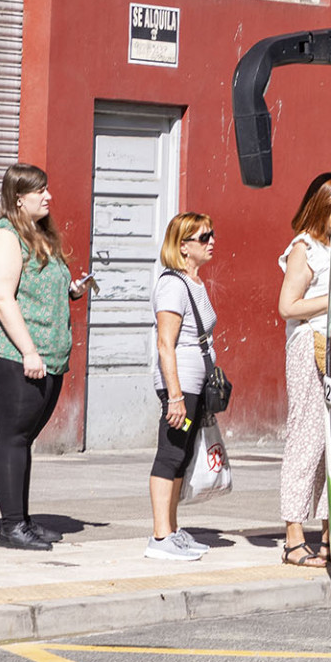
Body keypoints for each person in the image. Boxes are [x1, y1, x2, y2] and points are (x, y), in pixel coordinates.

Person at [0, 164, 90, 551]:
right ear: (19, 198)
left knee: (23, 439)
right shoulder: (5, 237)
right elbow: (0, 297)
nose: (48, 196)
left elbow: (33, 287)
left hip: (44, 354)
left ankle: (21, 520)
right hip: (13, 353)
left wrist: (71, 290)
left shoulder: (38, 235)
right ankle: (11, 528)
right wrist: (28, 351)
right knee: (12, 436)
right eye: (40, 191)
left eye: (47, 188)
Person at [146, 212, 219, 562]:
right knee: (171, 453)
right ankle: (160, 536)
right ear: (183, 246)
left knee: (183, 455)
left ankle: (172, 530)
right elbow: (165, 343)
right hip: (181, 385)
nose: (211, 242)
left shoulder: (194, 282)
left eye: (211, 235)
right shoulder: (173, 284)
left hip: (194, 384)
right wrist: (174, 397)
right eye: (204, 237)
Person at [277, 174, 331, 567]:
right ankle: (293, 536)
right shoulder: (304, 248)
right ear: (324, 208)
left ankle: (330, 534)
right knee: (306, 439)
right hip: (309, 346)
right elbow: (288, 306)